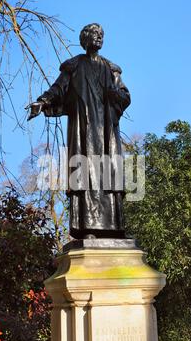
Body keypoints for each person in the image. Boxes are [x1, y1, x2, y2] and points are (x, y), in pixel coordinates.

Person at [27, 23, 131, 239]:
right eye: (95, 34)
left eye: (102, 34)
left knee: (108, 175)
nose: (99, 37)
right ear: (85, 39)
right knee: (85, 176)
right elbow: (58, 89)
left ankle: (113, 229)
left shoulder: (112, 69)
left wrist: (115, 95)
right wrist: (42, 101)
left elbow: (125, 95)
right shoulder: (73, 66)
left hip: (106, 131)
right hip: (83, 131)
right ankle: (87, 228)